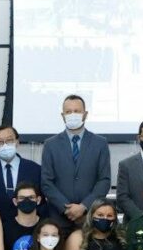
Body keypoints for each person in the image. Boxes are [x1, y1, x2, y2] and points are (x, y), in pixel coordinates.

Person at [40, 95, 111, 230]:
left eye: (77, 111)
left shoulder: (100, 143)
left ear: (85, 114)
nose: (73, 115)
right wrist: (66, 208)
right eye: (68, 112)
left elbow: (104, 180)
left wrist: (84, 206)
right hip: (58, 219)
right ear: (62, 115)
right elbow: (46, 182)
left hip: (89, 218)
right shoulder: (50, 145)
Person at [0, 125, 44, 224]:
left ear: (17, 142)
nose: (5, 145)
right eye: (0, 142)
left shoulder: (35, 169)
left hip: (28, 226)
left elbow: (42, 202)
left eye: (9, 140)